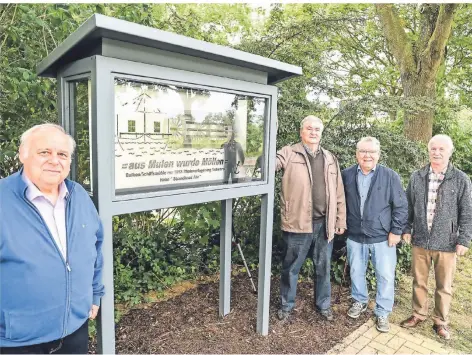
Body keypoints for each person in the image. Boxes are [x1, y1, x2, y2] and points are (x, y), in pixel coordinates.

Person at [0, 124, 105, 354]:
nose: (54, 160)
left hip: (74, 331)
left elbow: (96, 247)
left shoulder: (78, 196)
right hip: (18, 342)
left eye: (62, 154)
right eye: (44, 152)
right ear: (23, 154)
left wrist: (95, 293)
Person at [401, 134, 472, 340]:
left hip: (447, 243)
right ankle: (418, 314)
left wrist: (464, 239)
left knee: (444, 285)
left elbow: (467, 212)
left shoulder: (460, 179)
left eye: (442, 149)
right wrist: (406, 228)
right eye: (433, 149)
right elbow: (408, 207)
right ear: (429, 151)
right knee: (419, 281)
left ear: (450, 152)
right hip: (421, 240)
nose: (437, 152)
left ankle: (440, 322)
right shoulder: (417, 176)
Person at [276, 115, 346, 321]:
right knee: (291, 268)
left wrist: (340, 220)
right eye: (309, 128)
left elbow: (338, 191)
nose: (313, 132)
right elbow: (273, 163)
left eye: (317, 129)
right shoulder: (289, 152)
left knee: (323, 267)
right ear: (301, 132)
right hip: (298, 223)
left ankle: (324, 305)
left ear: (321, 133)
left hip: (325, 225)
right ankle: (286, 306)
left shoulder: (330, 158)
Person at [341, 137, 407, 333]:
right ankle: (360, 301)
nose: (367, 155)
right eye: (363, 151)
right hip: (355, 236)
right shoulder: (347, 175)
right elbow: (339, 202)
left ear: (378, 155)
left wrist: (396, 231)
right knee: (356, 272)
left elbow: (401, 206)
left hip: (383, 237)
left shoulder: (390, 176)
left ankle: (382, 311)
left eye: (371, 152)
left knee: (385, 276)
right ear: (357, 154)